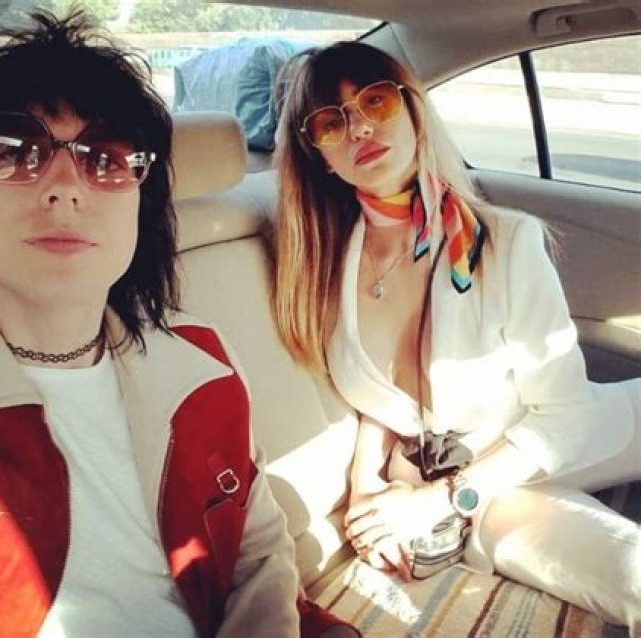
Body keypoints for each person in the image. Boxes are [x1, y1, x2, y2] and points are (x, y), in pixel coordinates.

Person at [0, 11, 355, 637]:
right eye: (16, 153)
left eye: (106, 158)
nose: (65, 188)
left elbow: (259, 548)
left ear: (139, 208)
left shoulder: (200, 358)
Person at [273, 40, 640, 630]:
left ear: (414, 112)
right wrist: (365, 488)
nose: (359, 126)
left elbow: (568, 415)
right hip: (490, 497)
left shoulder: (506, 242)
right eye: (330, 122)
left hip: (566, 431)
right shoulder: (322, 268)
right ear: (320, 157)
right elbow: (381, 401)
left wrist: (438, 501)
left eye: (376, 101)